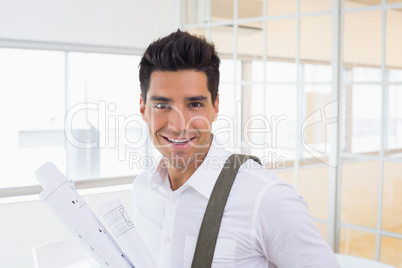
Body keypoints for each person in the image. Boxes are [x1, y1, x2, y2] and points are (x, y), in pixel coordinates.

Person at [132, 29, 340, 267]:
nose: (179, 125)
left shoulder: (267, 198)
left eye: (195, 104)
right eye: (162, 105)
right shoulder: (143, 189)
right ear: (143, 108)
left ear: (215, 107)